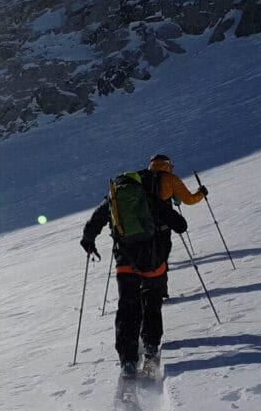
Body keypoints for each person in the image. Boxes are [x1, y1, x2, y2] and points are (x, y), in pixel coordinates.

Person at [79, 154, 208, 377]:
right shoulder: (149, 197)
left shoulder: (114, 198)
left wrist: (88, 241)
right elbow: (180, 225)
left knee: (127, 307)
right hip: (153, 260)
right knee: (151, 300)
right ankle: (150, 345)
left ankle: (127, 360)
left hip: (125, 261)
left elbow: (94, 221)